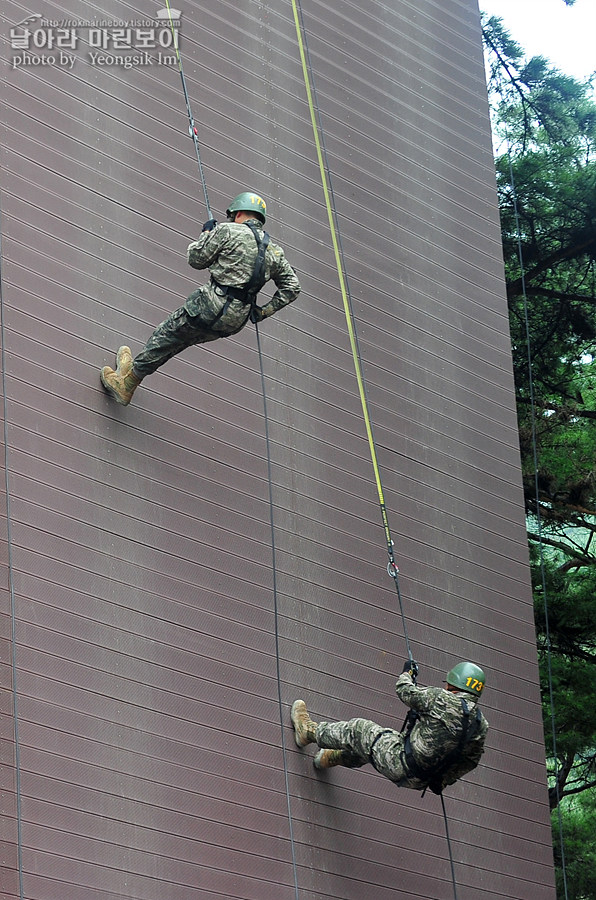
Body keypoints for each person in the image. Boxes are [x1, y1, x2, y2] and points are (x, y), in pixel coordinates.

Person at [100, 191, 301, 406]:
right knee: (179, 342)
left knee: (166, 335)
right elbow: (292, 288)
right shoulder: (275, 251)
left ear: (239, 213)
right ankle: (131, 373)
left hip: (208, 307)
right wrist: (262, 312)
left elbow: (196, 259)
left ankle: (127, 383)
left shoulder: (227, 230)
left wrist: (206, 233)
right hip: (234, 321)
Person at [291, 661, 488, 794]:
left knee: (359, 730)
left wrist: (407, 673)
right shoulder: (480, 725)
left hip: (401, 760)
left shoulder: (443, 699)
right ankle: (328, 758)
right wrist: (443, 780)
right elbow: (470, 762)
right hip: (420, 780)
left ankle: (308, 732)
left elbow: (404, 691)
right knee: (376, 744)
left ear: (453, 683)